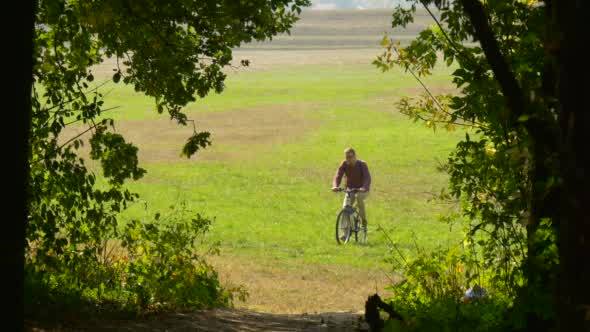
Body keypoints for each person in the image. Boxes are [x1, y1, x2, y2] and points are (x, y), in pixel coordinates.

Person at [331, 147, 372, 231]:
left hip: (362, 190)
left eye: (350, 157)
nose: (348, 159)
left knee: (359, 198)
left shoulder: (362, 164)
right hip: (350, 190)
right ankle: (345, 233)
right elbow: (338, 175)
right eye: (346, 157)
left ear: (355, 156)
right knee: (345, 209)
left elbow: (367, 178)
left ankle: (363, 221)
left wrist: (363, 187)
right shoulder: (344, 164)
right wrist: (335, 186)